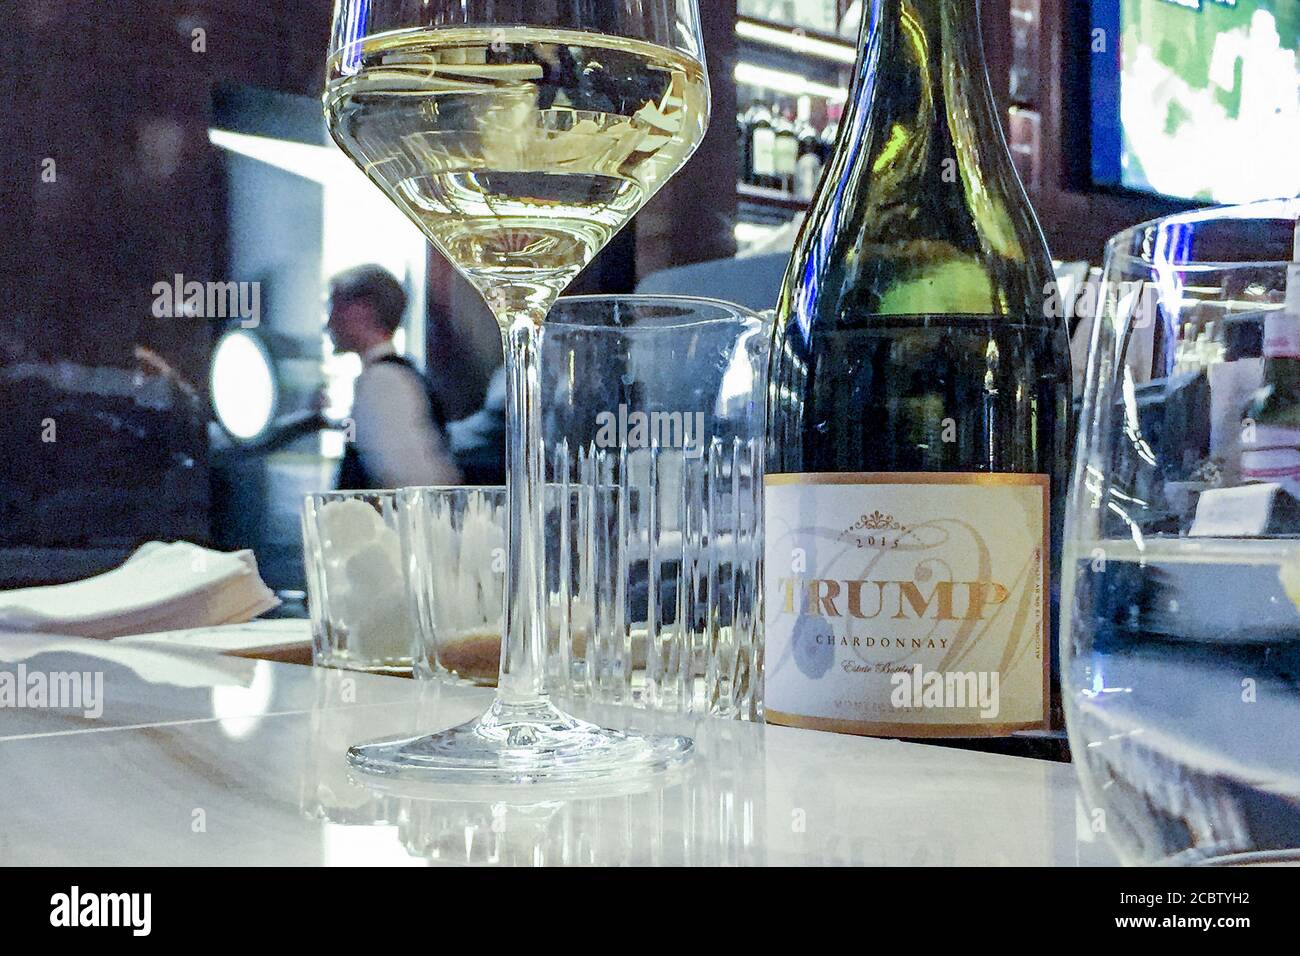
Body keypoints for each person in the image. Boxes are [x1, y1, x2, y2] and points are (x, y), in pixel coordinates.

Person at [326, 265, 462, 490]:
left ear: (362, 309)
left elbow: (414, 480)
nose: (329, 323)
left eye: (335, 307)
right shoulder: (396, 375)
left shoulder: (383, 382)